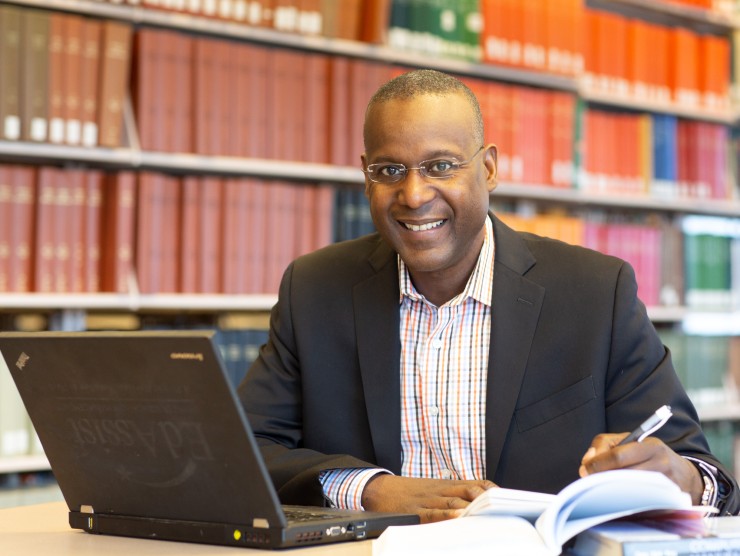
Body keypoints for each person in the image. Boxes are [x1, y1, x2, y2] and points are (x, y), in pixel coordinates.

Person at [238, 69, 739, 523]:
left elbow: (710, 477)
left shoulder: (595, 293)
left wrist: (682, 479)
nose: (413, 194)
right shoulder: (314, 289)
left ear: (490, 169)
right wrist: (370, 489)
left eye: (440, 166)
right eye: (390, 171)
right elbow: (245, 449)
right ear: (366, 175)